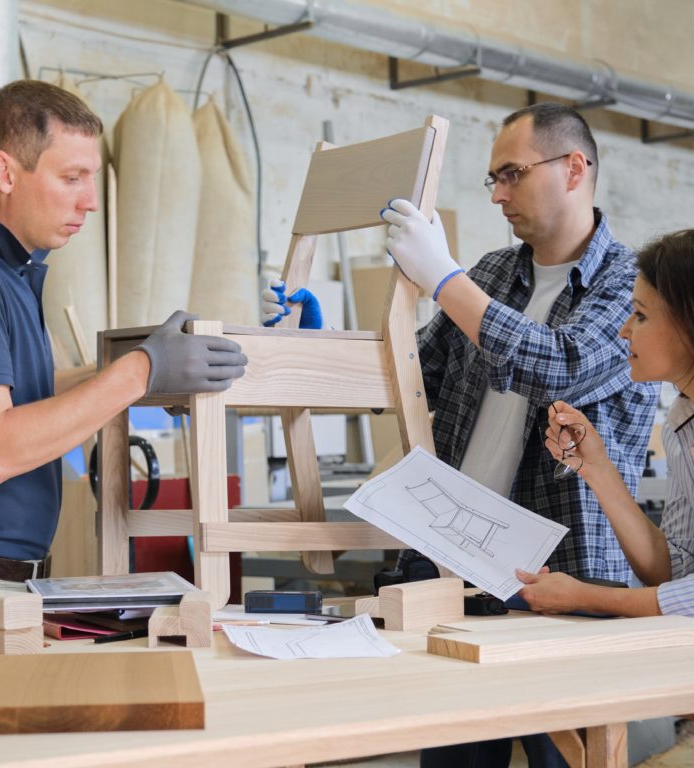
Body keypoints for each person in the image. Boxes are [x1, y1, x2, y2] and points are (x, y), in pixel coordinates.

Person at [264, 102, 659, 768]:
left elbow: (558, 364)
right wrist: (323, 340)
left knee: (567, 756)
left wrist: (442, 279)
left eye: (512, 174)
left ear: (573, 169)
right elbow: (411, 373)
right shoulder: (493, 276)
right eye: (492, 180)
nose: (499, 195)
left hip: (564, 582)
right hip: (452, 565)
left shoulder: (633, 284)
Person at [0, 80, 247, 591]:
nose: (91, 202)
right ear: (4, 172)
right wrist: (141, 369)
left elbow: (25, 401)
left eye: (92, 179)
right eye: (72, 178)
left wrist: (149, 374)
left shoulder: (9, 269)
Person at [517, 229, 694, 623]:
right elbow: (677, 570)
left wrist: (585, 596)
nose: (624, 330)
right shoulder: (686, 422)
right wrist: (596, 469)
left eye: (642, 314)